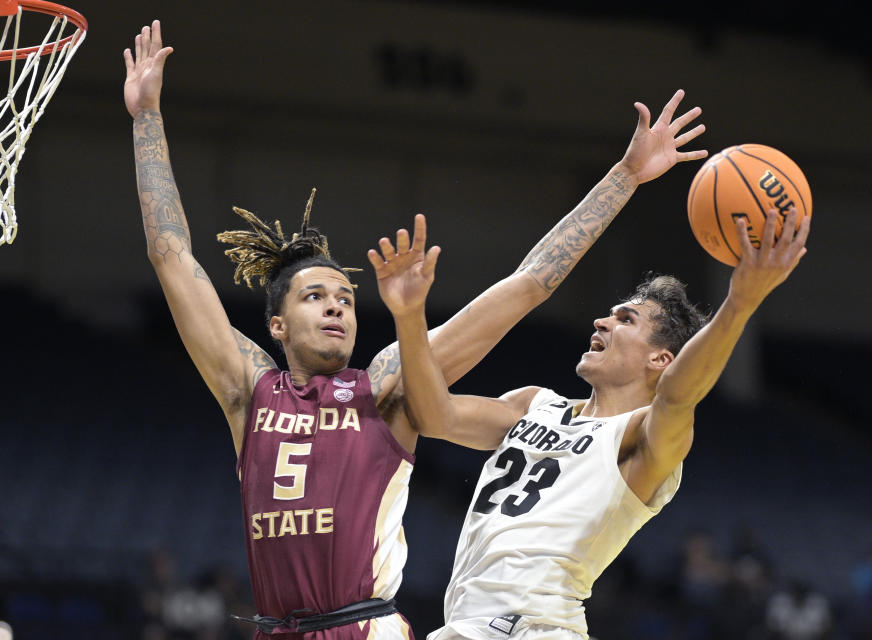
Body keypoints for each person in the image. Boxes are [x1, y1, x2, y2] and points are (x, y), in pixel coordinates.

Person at [123, 19, 707, 640]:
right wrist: (147, 118)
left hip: (366, 628)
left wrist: (625, 177)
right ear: (276, 324)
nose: (336, 307)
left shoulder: (385, 388)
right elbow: (172, 258)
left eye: (346, 297)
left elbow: (529, 283)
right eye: (314, 296)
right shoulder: (248, 389)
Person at [372, 197, 810, 639]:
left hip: (538, 630)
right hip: (467, 627)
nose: (601, 321)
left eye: (625, 319)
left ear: (661, 358)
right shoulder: (534, 404)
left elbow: (679, 395)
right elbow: (432, 416)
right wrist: (410, 317)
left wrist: (739, 302)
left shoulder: (638, 439)